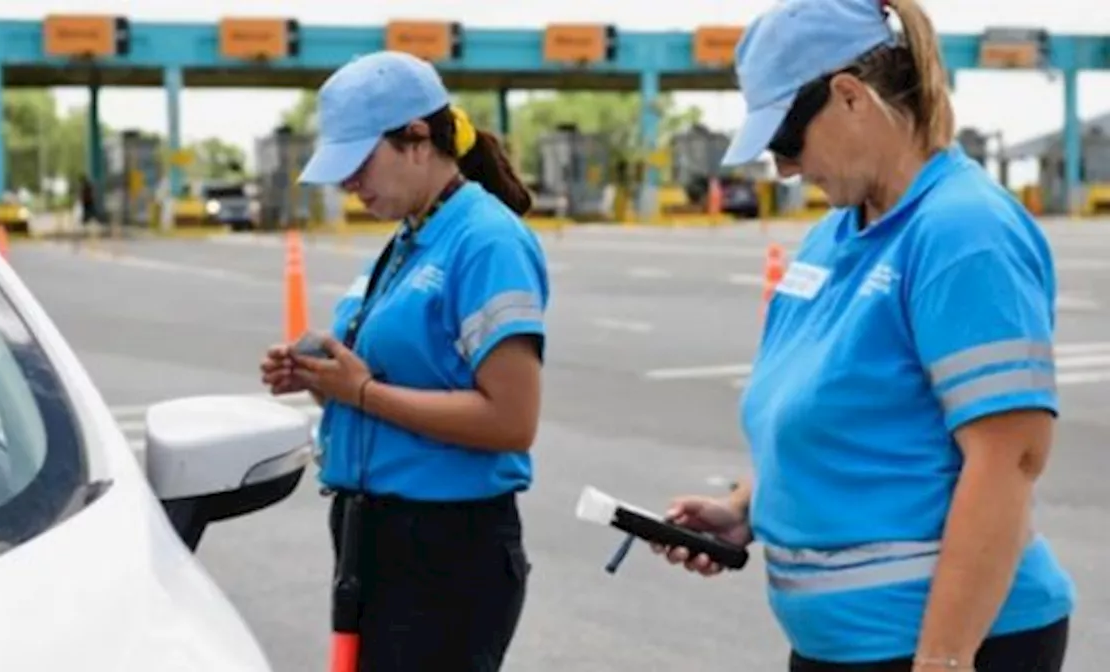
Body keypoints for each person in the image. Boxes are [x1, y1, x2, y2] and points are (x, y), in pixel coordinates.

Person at [652, 1, 1075, 670]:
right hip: (844, 646)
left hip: (940, 645)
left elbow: (1008, 459)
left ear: (850, 96)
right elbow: (851, 424)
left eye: (786, 142)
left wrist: (943, 658)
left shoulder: (962, 231)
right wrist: (744, 509)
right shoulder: (834, 236)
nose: (784, 169)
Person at [258, 50, 548, 672]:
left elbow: (511, 420)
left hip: (446, 549)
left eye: (359, 163)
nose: (348, 184)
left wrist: (361, 391)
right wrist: (323, 378)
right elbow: (388, 388)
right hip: (377, 538)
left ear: (417, 139)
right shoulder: (411, 238)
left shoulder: (486, 240)